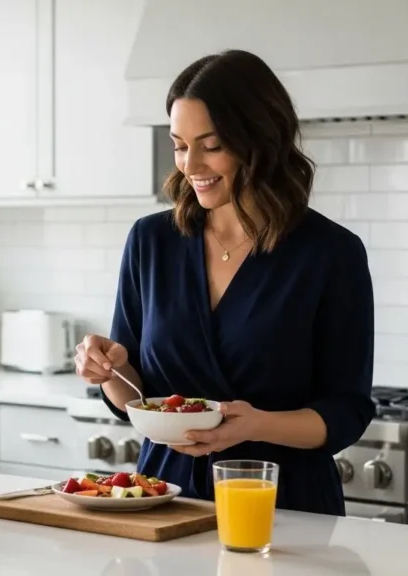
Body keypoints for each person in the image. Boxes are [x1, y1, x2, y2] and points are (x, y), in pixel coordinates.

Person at [74, 49, 375, 516]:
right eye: (179, 144)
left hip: (283, 507)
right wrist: (106, 368)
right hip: (163, 502)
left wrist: (256, 425)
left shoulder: (330, 253)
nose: (190, 164)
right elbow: (132, 392)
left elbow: (346, 412)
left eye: (210, 145)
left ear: (260, 141)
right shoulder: (151, 241)